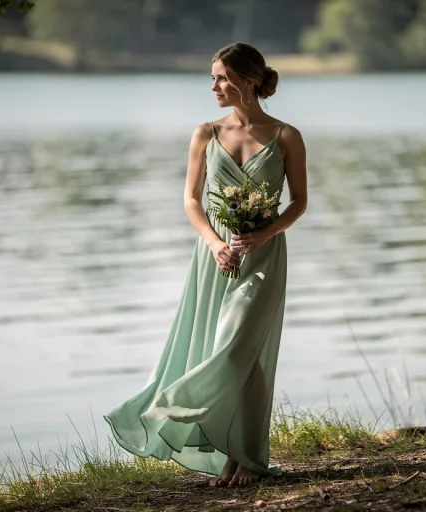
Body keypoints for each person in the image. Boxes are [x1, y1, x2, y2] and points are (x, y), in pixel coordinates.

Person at [104, 42, 307, 488]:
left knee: (242, 352)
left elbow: (299, 203)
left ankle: (213, 434)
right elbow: (191, 200)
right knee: (224, 350)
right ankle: (233, 455)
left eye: (220, 77)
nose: (213, 85)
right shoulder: (205, 133)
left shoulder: (286, 136)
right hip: (214, 257)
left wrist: (263, 234)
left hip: (264, 256)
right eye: (213, 77)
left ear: (248, 81)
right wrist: (216, 244)